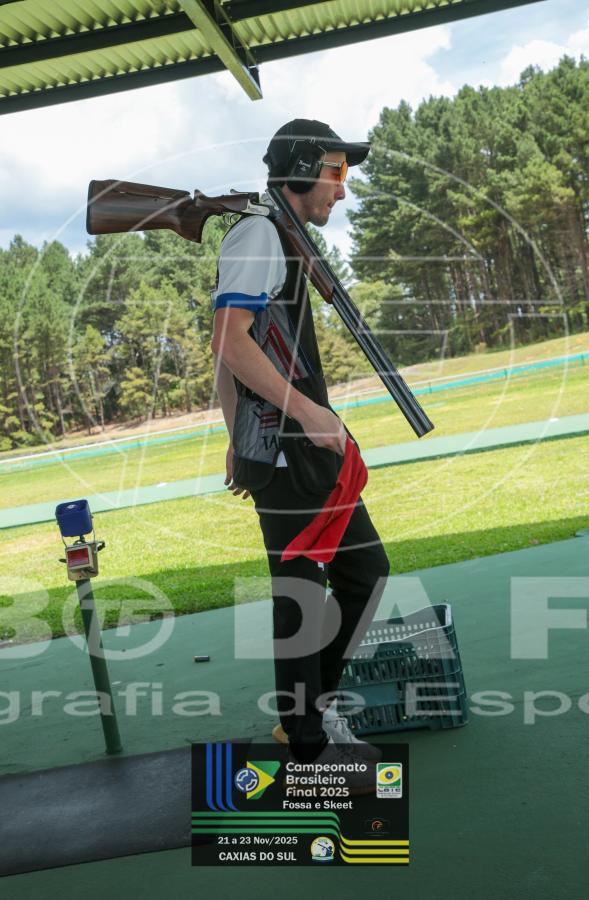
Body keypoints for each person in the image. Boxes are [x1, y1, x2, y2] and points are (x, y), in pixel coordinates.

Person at [211, 120, 390, 789]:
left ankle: (311, 714)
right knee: (303, 599)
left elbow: (231, 347)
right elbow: (230, 341)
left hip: (295, 450)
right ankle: (308, 745)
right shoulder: (259, 233)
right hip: (292, 450)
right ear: (303, 169)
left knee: (363, 574)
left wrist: (238, 433)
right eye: (336, 172)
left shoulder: (277, 233)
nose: (342, 189)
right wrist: (309, 414)